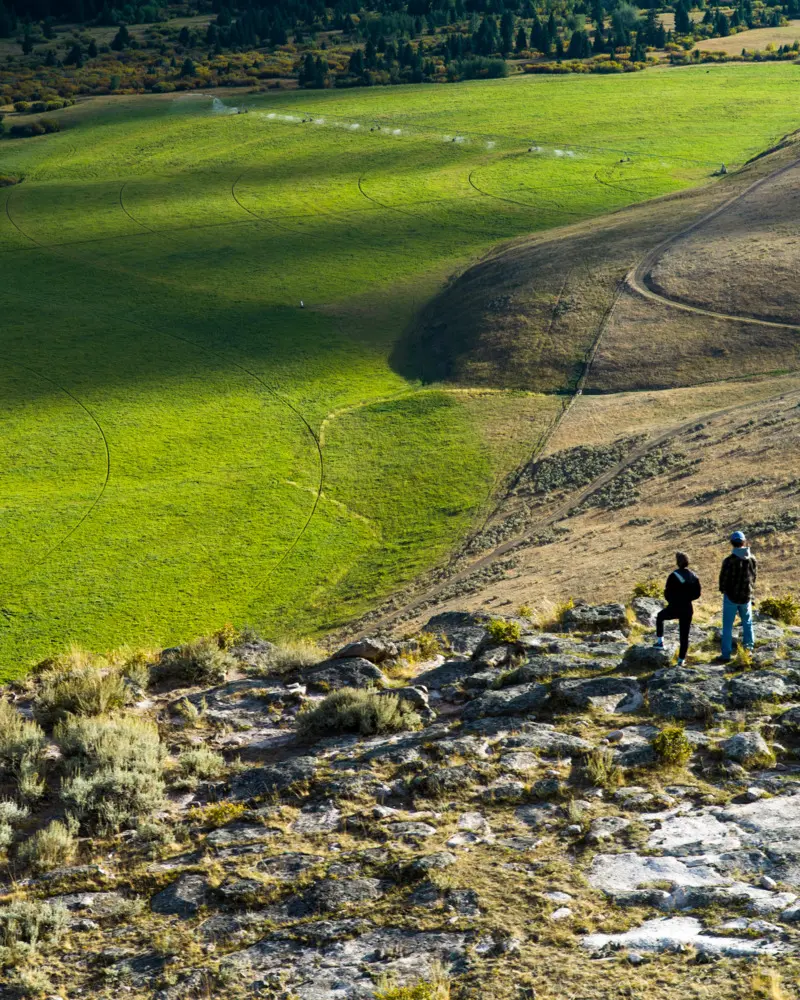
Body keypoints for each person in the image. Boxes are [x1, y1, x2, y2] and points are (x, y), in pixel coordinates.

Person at [653, 552, 701, 666]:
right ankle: (681, 661)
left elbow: (667, 592)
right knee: (684, 635)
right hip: (688, 608)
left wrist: (672, 602)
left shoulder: (673, 575)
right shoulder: (694, 576)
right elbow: (697, 594)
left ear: (677, 562)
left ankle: (660, 642)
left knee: (660, 617)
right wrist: (688, 598)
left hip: (675, 607)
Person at [719, 530, 757, 662]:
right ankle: (748, 650)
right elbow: (753, 577)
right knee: (747, 623)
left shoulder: (729, 561)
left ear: (732, 543)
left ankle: (726, 654)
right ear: (744, 542)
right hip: (746, 596)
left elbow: (723, 579)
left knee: (728, 626)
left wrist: (724, 590)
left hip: (731, 597)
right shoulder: (752, 559)